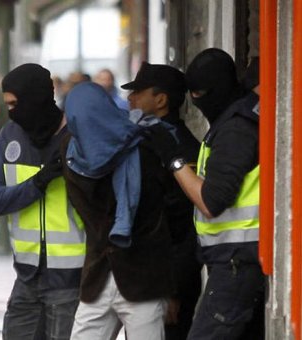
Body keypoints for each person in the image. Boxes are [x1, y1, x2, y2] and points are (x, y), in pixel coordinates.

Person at [144, 48, 264, 339]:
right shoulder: (234, 119)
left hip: (237, 262)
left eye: (200, 93)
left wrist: (173, 159)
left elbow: (211, 202)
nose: (196, 101)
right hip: (237, 259)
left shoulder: (236, 128)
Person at [0, 63, 85, 340]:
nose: (11, 112)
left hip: (70, 282)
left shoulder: (77, 135)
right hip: (26, 279)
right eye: (7, 105)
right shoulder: (9, 136)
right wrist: (38, 183)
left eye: (15, 103)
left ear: (36, 98)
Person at [64, 82, 174, 340]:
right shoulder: (71, 151)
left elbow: (170, 213)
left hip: (143, 279)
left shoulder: (144, 147)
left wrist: (174, 286)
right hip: (98, 279)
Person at [121, 62, 202, 340]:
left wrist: (174, 290)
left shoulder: (174, 146)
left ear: (161, 99)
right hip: (146, 273)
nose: (130, 99)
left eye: (138, 92)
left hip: (167, 278)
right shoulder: (146, 137)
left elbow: (182, 222)